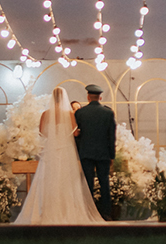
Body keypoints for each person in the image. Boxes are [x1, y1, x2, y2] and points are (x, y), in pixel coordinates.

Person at [13, 86, 103, 225]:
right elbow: (75, 133)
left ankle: (45, 211)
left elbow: (42, 133)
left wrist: (53, 135)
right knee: (67, 181)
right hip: (66, 150)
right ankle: (67, 211)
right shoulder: (69, 114)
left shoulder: (45, 114)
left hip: (50, 151)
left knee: (48, 180)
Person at [74, 83, 117, 220]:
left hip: (86, 152)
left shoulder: (80, 113)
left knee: (87, 184)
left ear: (88, 97)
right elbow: (112, 136)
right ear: (100, 97)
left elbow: (77, 134)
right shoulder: (108, 113)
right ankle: (106, 213)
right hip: (103, 153)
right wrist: (111, 155)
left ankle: (88, 213)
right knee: (104, 183)